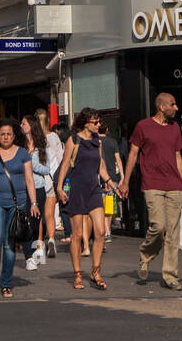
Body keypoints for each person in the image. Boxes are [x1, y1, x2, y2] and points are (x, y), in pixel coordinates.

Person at [118, 92, 182, 290]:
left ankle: (170, 275)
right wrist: (125, 181)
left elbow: (178, 157)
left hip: (174, 185)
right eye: (173, 104)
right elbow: (133, 154)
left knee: (173, 233)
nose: (176, 108)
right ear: (161, 107)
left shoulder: (175, 127)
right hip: (152, 184)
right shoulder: (143, 126)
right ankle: (145, 254)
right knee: (158, 226)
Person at [56, 108, 115, 291]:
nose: (99, 125)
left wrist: (113, 184)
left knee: (99, 232)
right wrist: (59, 187)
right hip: (76, 189)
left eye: (100, 122)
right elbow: (65, 164)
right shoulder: (73, 140)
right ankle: (77, 274)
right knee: (77, 236)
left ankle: (96, 272)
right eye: (95, 122)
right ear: (86, 123)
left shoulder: (98, 141)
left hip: (93, 190)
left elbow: (101, 167)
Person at [0, 118, 39, 298]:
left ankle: (6, 284)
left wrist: (34, 203)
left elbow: (29, 180)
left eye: (9, 134)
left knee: (9, 244)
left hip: (17, 203)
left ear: (14, 136)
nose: (5, 137)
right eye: (2, 134)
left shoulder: (22, 154)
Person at [82, 124, 123, 253]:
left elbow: (100, 162)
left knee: (97, 208)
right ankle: (107, 230)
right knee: (108, 205)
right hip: (106, 177)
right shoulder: (112, 142)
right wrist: (121, 176)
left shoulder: (96, 142)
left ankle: (101, 233)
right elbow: (117, 160)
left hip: (99, 178)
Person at [21, 114, 54, 269]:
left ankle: (35, 250)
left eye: (24, 123)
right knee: (26, 223)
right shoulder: (19, 146)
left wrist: (31, 164)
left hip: (39, 187)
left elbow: (47, 169)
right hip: (23, 188)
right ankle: (28, 256)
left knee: (35, 223)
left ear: (32, 126)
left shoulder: (41, 147)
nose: (22, 126)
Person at [35, 107, 64, 256]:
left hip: (38, 180)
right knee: (50, 213)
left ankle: (39, 244)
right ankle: (51, 239)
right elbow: (60, 159)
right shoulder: (54, 137)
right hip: (52, 179)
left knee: (38, 215)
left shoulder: (33, 139)